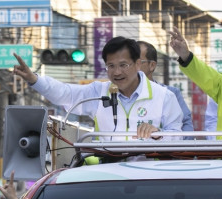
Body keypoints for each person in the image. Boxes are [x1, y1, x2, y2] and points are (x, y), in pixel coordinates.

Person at [12, 36, 183, 139]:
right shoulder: (98, 93)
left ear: (138, 64)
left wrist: (158, 134)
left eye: (123, 65)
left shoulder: (164, 97)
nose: (117, 72)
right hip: (108, 176)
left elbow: (178, 139)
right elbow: (65, 93)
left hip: (149, 176)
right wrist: (34, 79)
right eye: (111, 66)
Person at [136, 40, 194, 134]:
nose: (130, 67)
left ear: (152, 65)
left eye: (137, 62)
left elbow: (186, 127)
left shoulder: (170, 93)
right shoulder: (117, 94)